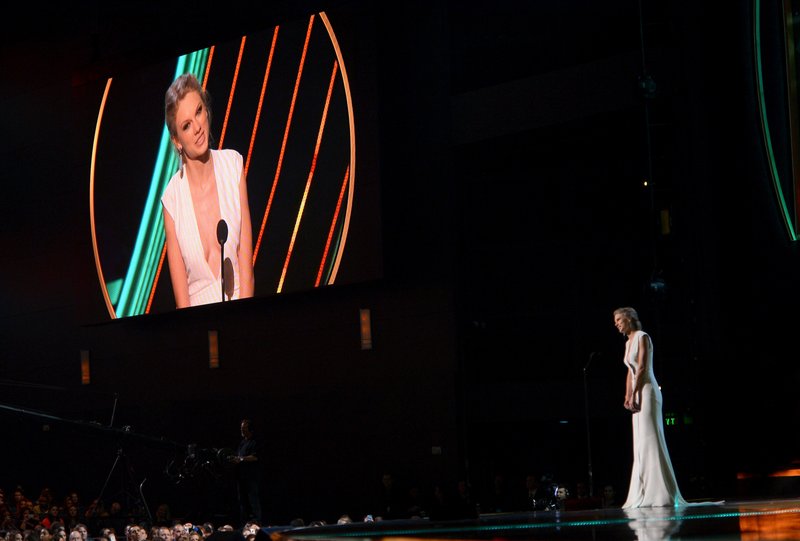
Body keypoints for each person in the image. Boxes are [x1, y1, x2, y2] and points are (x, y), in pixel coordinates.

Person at [161, 73, 255, 308]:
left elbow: (246, 268)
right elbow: (182, 300)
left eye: (199, 111)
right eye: (186, 125)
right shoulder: (172, 200)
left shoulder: (233, 166)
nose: (197, 128)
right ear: (177, 140)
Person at [613, 306, 686, 508]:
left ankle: (660, 493)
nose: (616, 324)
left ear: (629, 319)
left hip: (648, 391)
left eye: (619, 319)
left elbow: (643, 367)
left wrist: (636, 393)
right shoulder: (628, 343)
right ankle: (643, 491)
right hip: (637, 390)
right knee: (640, 440)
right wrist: (628, 395)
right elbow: (631, 371)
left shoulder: (642, 337)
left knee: (651, 437)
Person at [231, 419, 262, 524]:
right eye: (241, 428)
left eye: (244, 428)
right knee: (242, 501)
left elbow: (255, 457)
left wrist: (241, 459)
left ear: (250, 429)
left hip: (251, 476)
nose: (242, 430)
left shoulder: (254, 442)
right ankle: (244, 522)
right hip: (241, 476)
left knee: (252, 500)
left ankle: (257, 522)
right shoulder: (242, 442)